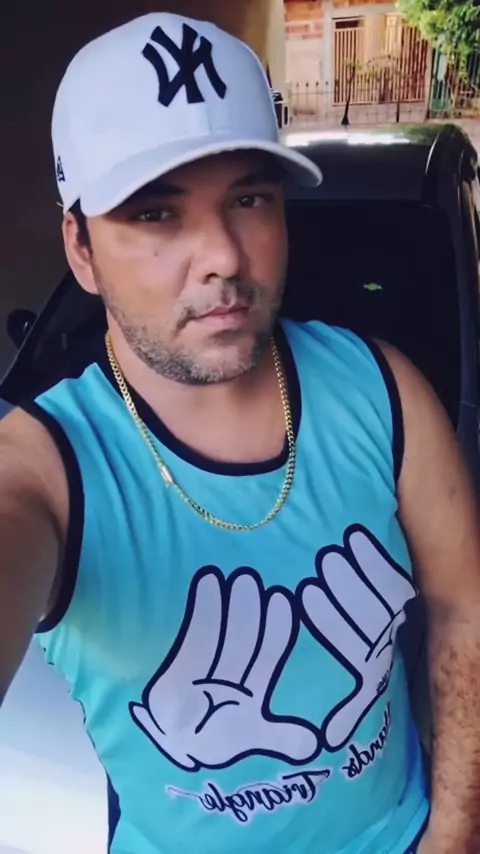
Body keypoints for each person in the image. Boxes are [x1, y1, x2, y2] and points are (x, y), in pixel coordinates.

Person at [1, 11, 480, 854]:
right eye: (157, 214)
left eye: (249, 199)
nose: (223, 254)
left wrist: (455, 833)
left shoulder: (383, 391)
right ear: (81, 249)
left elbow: (463, 608)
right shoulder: (47, 469)